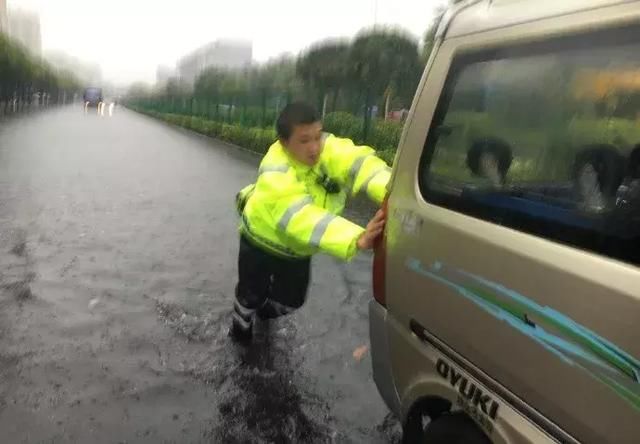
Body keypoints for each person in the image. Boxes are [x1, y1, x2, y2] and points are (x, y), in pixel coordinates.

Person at [231, 102, 390, 341]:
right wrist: (357, 238)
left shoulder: (326, 149)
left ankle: (262, 315)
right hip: (260, 242)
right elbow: (300, 217)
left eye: (318, 136)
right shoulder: (276, 170)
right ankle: (240, 335)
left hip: (297, 250)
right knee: (248, 298)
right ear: (284, 143)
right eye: (304, 141)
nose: (315, 147)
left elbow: (358, 162)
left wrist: (392, 192)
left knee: (292, 302)